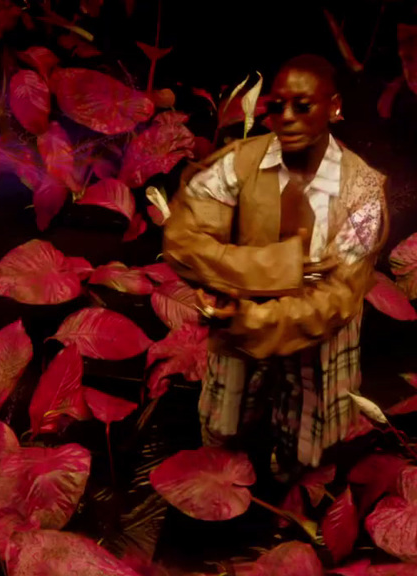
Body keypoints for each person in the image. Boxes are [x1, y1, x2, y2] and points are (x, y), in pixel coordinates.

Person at [161, 54, 388, 476]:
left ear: (334, 108)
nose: (286, 118)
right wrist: (280, 267)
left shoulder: (362, 190)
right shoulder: (241, 163)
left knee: (308, 452)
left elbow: (336, 298)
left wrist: (247, 312)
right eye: (277, 106)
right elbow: (183, 239)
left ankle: (291, 497)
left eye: (302, 106)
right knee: (222, 431)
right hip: (238, 331)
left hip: (317, 339)